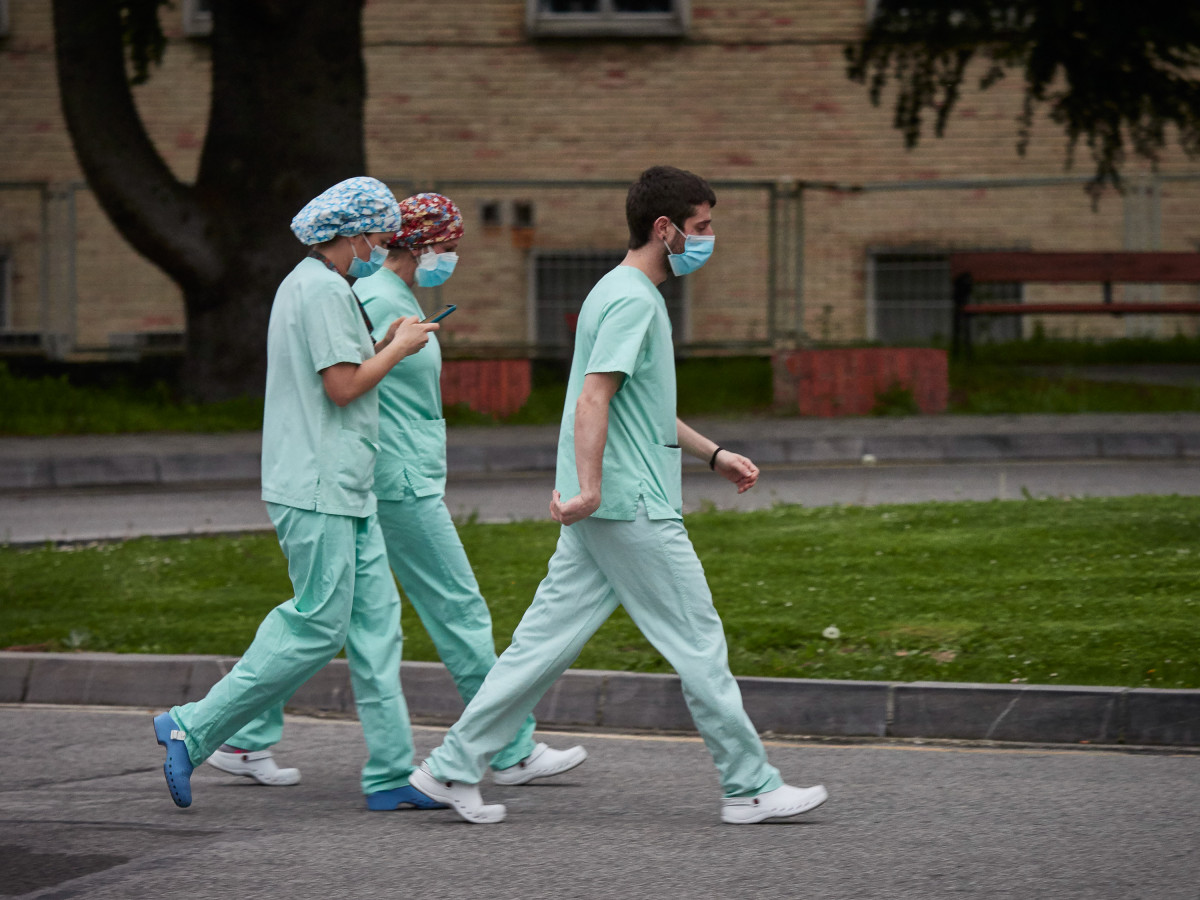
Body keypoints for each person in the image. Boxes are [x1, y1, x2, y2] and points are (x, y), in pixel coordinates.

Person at [409, 166, 829, 825]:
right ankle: (749, 785)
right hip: (631, 507)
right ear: (664, 230)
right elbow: (593, 399)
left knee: (540, 647)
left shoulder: (615, 290)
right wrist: (595, 489)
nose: (709, 238)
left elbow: (642, 408)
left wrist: (712, 454)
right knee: (697, 642)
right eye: (701, 227)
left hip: (606, 508)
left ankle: (450, 768)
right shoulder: (635, 301)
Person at [207, 193, 587, 798]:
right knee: (456, 608)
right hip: (394, 478)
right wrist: (395, 348)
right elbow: (347, 382)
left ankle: (245, 736)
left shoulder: (384, 296)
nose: (453, 258)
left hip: (394, 473)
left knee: (334, 617)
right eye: (451, 247)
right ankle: (510, 748)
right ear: (425, 245)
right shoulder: (371, 295)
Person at [152, 176, 442, 812]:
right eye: (378, 233)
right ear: (352, 232)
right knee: (317, 624)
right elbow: (343, 387)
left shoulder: (313, 285)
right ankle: (192, 726)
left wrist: (384, 343)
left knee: (375, 625)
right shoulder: (321, 290)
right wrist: (399, 348)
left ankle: (392, 775)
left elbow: (335, 374)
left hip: (343, 483)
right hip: (319, 486)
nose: (382, 244)